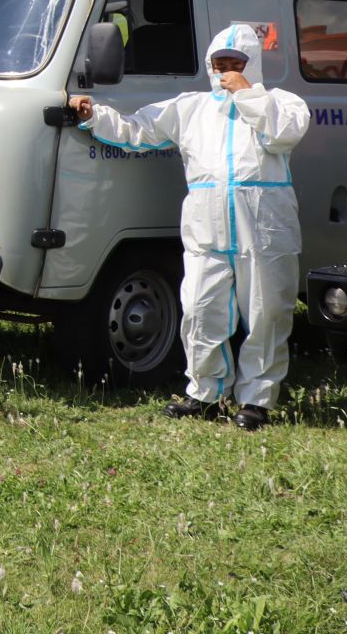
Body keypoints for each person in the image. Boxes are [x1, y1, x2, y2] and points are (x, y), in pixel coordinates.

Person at [69, 23, 311, 431]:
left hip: (264, 230)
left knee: (267, 314)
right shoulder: (192, 108)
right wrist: (94, 117)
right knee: (200, 310)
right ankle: (205, 394)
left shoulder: (281, 102)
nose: (225, 72)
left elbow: (282, 135)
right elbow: (138, 129)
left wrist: (247, 93)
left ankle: (256, 401)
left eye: (235, 64)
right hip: (207, 230)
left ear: (254, 66)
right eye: (219, 65)